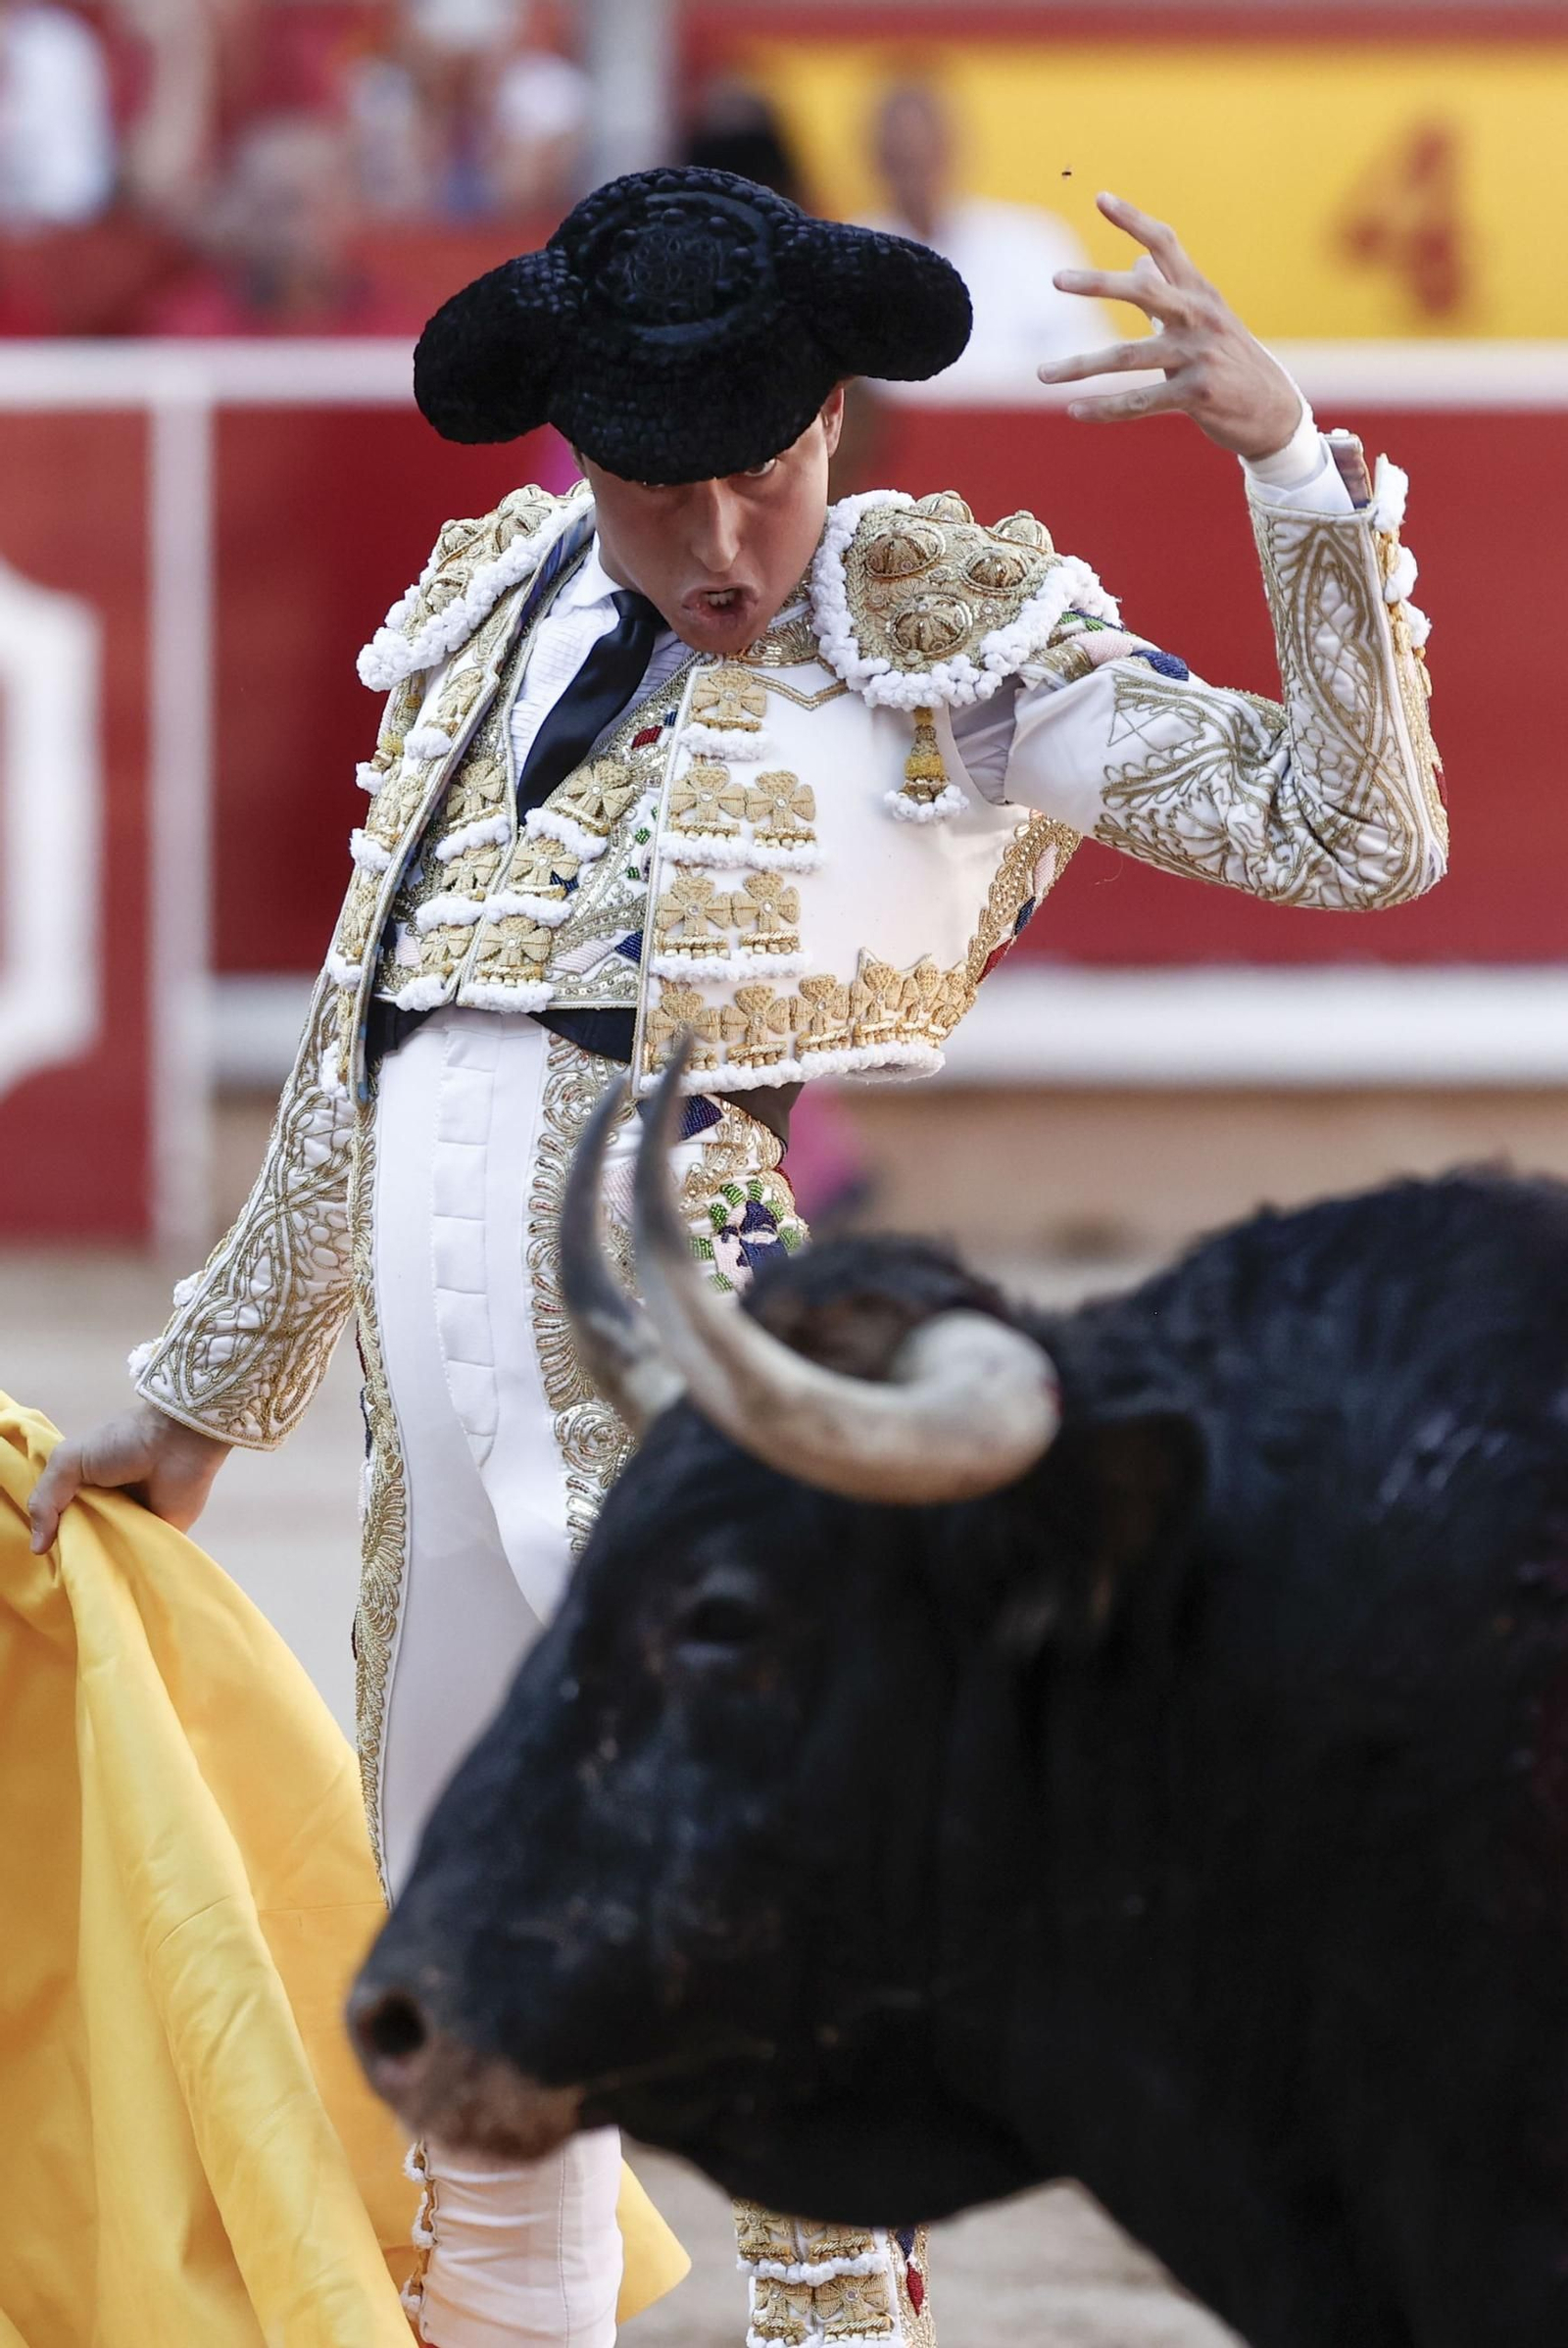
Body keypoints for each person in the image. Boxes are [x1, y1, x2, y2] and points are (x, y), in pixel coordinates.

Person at [29, 166, 1443, 2348]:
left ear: (833, 435)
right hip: (442, 1407)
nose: (715, 549)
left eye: (762, 480)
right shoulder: (492, 603)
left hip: (720, 1422)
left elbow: (1353, 834)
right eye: (649, 491)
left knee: (773, 2015)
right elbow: (365, 1020)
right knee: (476, 2020)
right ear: (570, 459)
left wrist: (1283, 471)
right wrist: (215, 1387)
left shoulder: (934, 631)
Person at [861, 77, 1110, 399]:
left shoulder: (1034, 244)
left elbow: (1091, 367)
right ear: (878, 160)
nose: (917, 174)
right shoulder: (852, 259)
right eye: (903, 159)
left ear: (951, 149)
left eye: (926, 154)